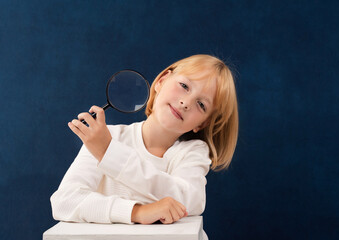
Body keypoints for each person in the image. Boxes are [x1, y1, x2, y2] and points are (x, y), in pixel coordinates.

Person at [50, 54, 239, 239]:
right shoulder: (108, 137)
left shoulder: (193, 151)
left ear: (203, 124)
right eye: (184, 86)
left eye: (201, 104)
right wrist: (138, 212)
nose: (185, 103)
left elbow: (189, 200)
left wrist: (109, 153)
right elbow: (64, 201)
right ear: (162, 80)